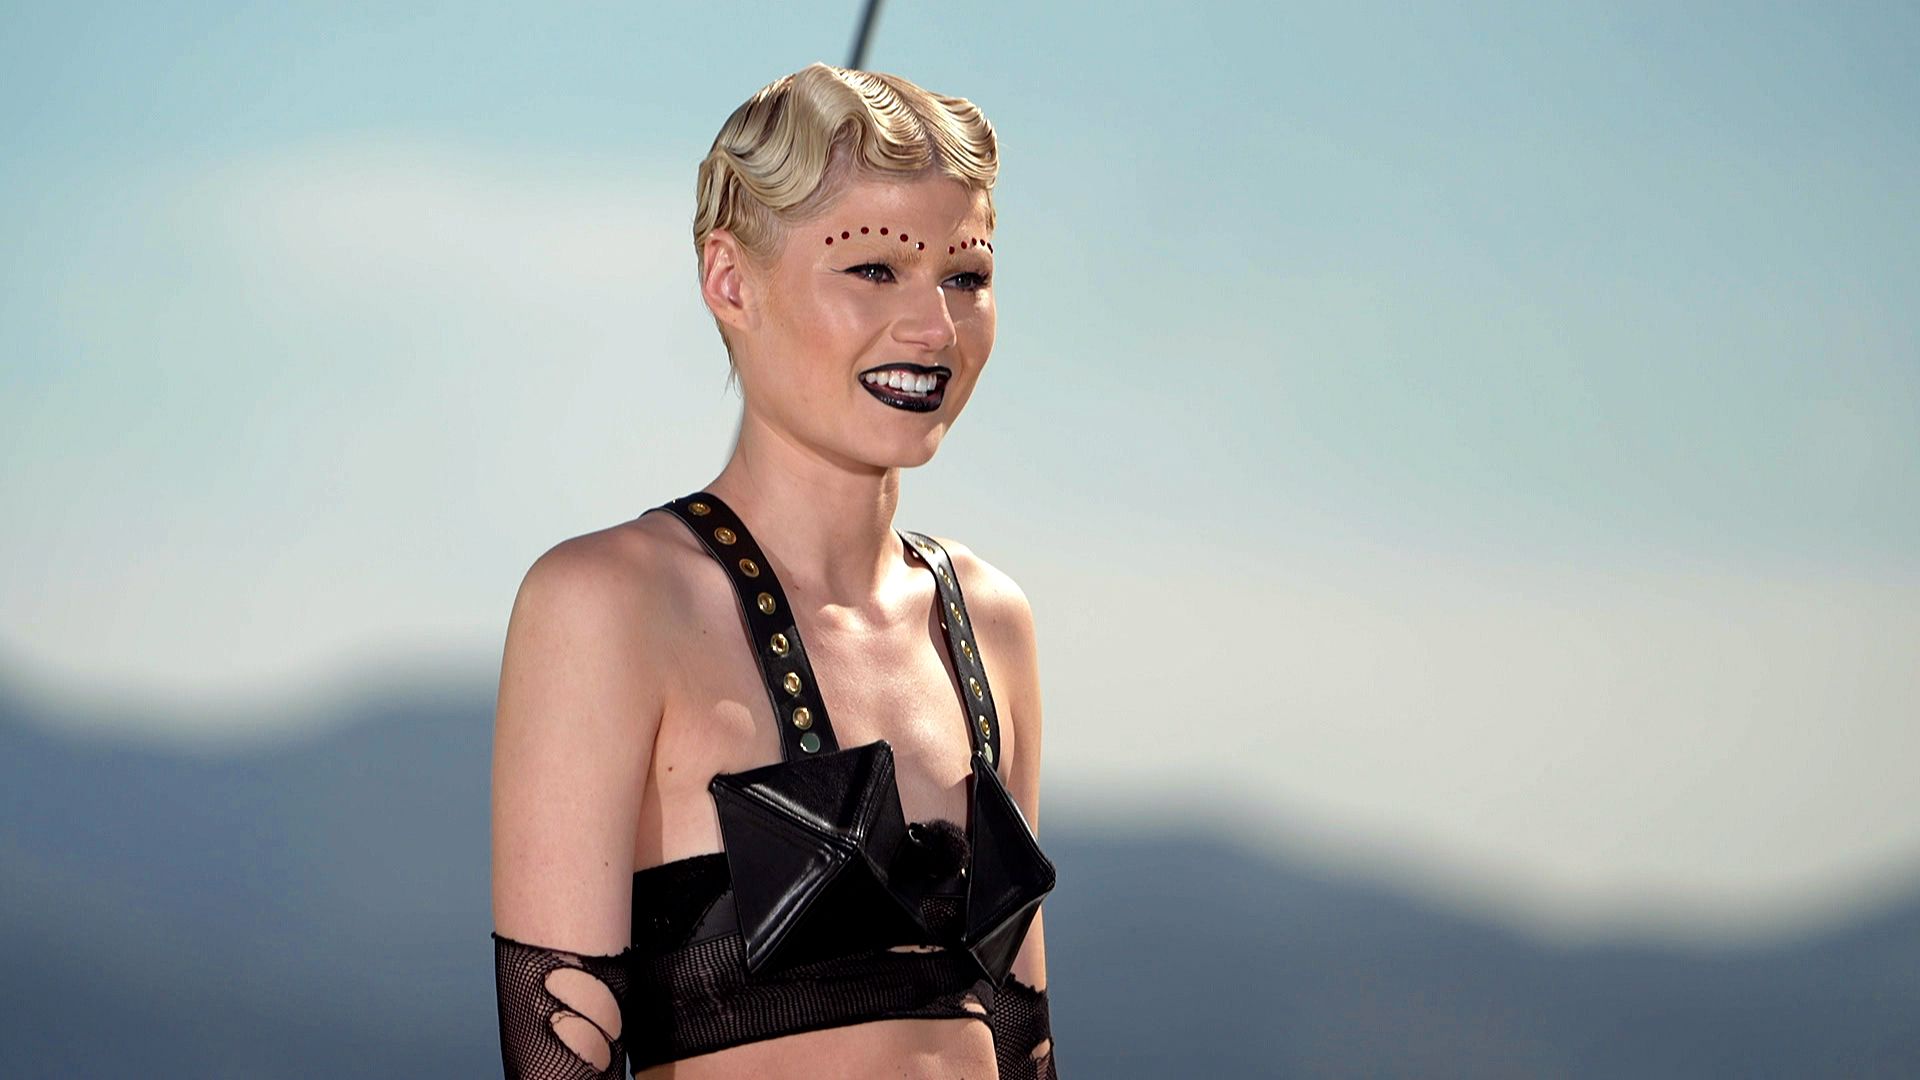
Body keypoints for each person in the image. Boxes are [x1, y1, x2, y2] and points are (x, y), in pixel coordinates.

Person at [489, 62, 1058, 1079]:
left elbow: (1025, 1038)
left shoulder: (989, 622)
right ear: (730, 280)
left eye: (966, 276)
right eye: (874, 269)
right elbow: (555, 1058)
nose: (934, 327)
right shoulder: (610, 605)